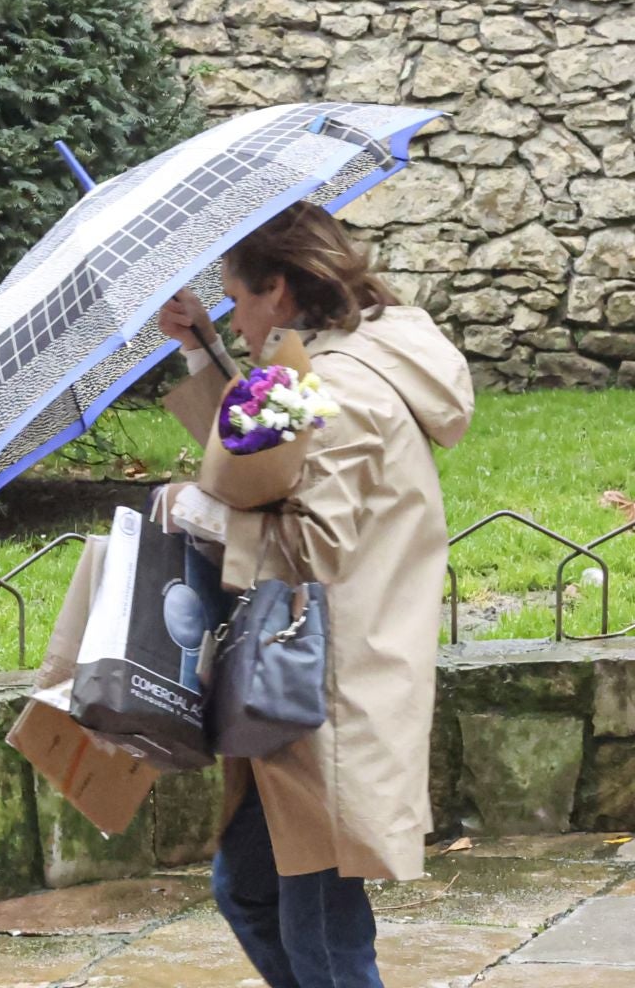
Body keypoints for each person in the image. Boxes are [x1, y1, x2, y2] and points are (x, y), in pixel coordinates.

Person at [155, 201, 475, 988]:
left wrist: (203, 514)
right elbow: (271, 446)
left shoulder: (342, 388)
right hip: (303, 680)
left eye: (237, 299)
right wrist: (206, 350)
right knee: (253, 891)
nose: (234, 312)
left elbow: (310, 543)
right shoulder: (347, 356)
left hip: (327, 689)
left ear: (282, 292)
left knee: (324, 937)